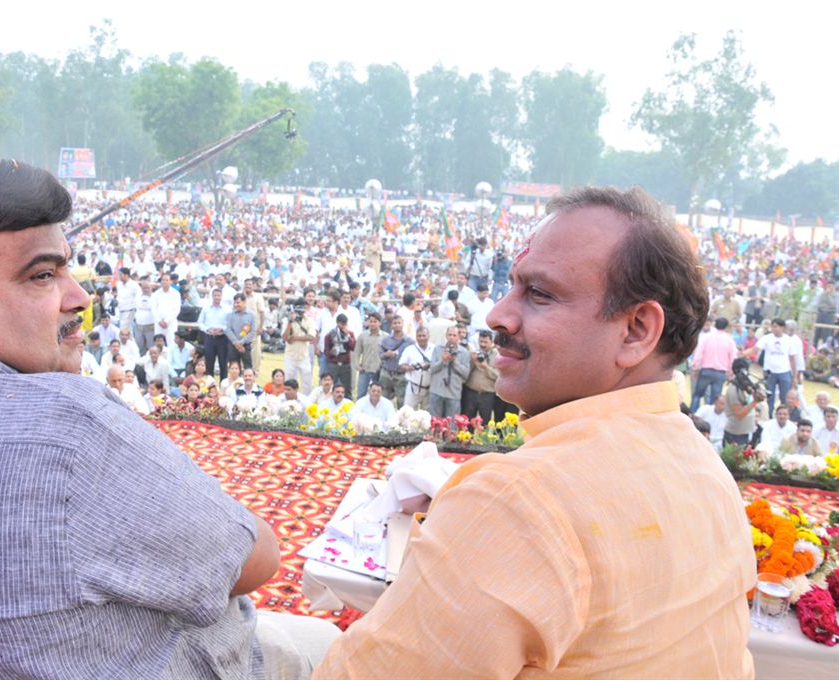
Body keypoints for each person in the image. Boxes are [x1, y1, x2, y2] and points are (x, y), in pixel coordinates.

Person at [0, 159, 338, 679]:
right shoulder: (67, 432)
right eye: (42, 275)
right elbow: (255, 558)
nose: (81, 298)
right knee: (336, 640)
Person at [316, 186, 754, 678]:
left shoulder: (514, 500)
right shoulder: (704, 464)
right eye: (511, 287)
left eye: (539, 294)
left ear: (635, 331)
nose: (497, 315)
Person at [752, 318, 798, 415]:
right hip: (769, 372)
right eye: (772, 326)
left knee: (784, 397)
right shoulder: (766, 338)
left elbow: (792, 359)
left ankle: (784, 415)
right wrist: (743, 353)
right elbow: (755, 349)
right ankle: (768, 415)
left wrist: (794, 375)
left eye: (776, 326)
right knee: (769, 396)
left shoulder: (789, 340)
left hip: (784, 371)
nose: (773, 329)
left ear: (782, 327)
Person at [689, 317, 736, 410]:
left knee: (697, 395)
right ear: (726, 327)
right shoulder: (730, 340)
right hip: (720, 373)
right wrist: (731, 374)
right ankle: (710, 419)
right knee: (714, 400)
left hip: (706, 371)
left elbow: (699, 353)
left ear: (715, 325)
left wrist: (695, 367)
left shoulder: (707, 338)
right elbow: (733, 358)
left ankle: (692, 415)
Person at [427, 325, 471, 418]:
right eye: (449, 335)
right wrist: (442, 360)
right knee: (435, 423)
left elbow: (466, 374)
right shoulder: (438, 349)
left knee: (452, 425)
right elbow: (432, 369)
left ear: (458, 337)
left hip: (453, 394)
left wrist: (455, 362)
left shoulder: (464, 352)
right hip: (437, 391)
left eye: (454, 335)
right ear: (446, 336)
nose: (451, 337)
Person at [461, 329, 499, 423]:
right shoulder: (475, 353)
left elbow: (498, 376)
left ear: (492, 342)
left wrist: (486, 367)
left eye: (485, 342)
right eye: (481, 341)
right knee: (467, 422)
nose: (482, 344)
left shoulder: (497, 356)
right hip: (470, 393)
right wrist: (472, 362)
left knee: (484, 423)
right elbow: (465, 373)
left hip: (487, 395)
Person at [282, 301, 316, 394]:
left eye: (303, 308)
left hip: (304, 356)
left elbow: (311, 337)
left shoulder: (309, 321)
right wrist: (290, 322)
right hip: (290, 356)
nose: (301, 311)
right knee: (289, 382)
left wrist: (296, 338)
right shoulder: (286, 320)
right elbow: (284, 337)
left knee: (307, 383)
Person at [198, 287, 230, 381]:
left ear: (221, 296)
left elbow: (229, 324)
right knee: (209, 364)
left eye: (219, 295)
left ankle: (223, 385)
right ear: (212, 296)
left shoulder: (227, 309)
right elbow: (200, 322)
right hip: (209, 338)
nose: (217, 297)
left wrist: (222, 329)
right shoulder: (206, 308)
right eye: (215, 295)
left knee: (223, 364)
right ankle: (210, 386)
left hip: (222, 339)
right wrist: (207, 329)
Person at [398, 326, 433, 411]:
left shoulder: (434, 348)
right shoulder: (409, 349)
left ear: (428, 336)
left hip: (429, 389)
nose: (421, 338)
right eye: (419, 336)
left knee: (427, 417)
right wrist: (411, 368)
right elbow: (401, 365)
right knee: (408, 413)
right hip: (413, 387)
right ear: (416, 337)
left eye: (424, 335)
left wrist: (429, 366)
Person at [379, 322, 412, 408]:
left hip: (401, 375)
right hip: (387, 373)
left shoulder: (409, 341)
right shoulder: (385, 340)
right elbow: (380, 355)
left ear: (402, 324)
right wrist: (386, 354)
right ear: (391, 325)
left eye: (399, 323)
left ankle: (401, 420)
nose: (397, 325)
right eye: (394, 323)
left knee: (402, 401)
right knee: (383, 400)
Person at [323, 313, 356, 398]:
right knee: (331, 387)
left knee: (347, 387)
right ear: (337, 323)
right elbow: (326, 350)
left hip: (345, 364)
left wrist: (347, 335)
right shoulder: (330, 335)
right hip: (333, 363)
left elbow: (353, 347)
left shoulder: (350, 334)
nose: (343, 326)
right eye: (341, 324)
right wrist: (332, 352)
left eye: (345, 324)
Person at [353, 312, 384, 399]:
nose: (373, 324)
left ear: (380, 323)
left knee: (378, 395)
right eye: (370, 321)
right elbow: (356, 353)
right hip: (365, 370)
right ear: (367, 322)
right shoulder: (362, 336)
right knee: (361, 395)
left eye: (375, 321)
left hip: (379, 370)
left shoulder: (385, 337)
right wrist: (358, 366)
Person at [226, 292, 256, 370]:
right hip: (233, 345)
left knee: (248, 367)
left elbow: (252, 331)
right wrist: (236, 342)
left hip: (245, 345)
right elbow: (228, 329)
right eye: (235, 303)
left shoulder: (251, 315)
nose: (236, 305)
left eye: (238, 303)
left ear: (244, 302)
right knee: (233, 366)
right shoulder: (230, 315)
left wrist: (241, 342)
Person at [151, 273, 181, 347]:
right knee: (158, 344)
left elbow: (176, 309)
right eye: (163, 280)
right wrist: (159, 321)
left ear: (170, 281)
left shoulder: (176, 294)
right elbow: (153, 309)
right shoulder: (156, 294)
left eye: (167, 280)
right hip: (159, 324)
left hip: (171, 323)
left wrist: (167, 321)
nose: (164, 282)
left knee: (172, 344)